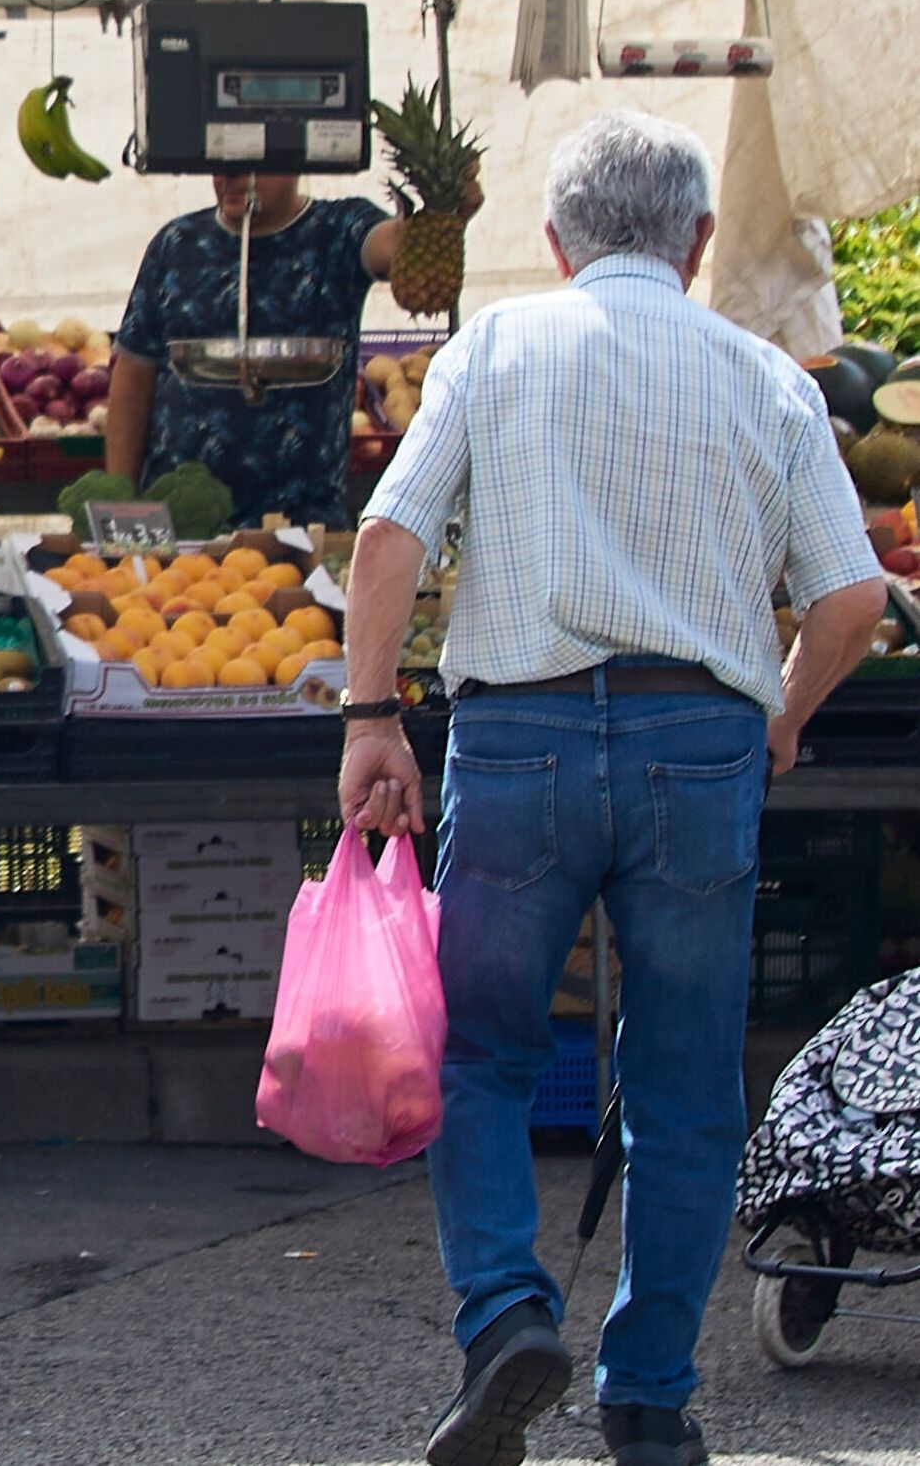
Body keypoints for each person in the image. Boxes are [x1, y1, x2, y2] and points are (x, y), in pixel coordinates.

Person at [338, 111, 885, 1466]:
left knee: (482, 1053)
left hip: (516, 737)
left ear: (553, 242)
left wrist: (369, 718)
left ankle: (507, 1317)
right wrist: (783, 714)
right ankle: (648, 1394)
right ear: (697, 242)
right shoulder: (765, 376)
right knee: (688, 1083)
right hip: (697, 739)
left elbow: (387, 537)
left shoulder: (496, 348)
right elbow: (854, 594)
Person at [107, 169, 481, 528]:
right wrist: (120, 503)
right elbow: (133, 377)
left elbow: (391, 246)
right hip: (181, 528)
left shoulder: (338, 231)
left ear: (296, 158)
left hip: (305, 526)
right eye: (220, 163)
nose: (232, 176)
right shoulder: (177, 243)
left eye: (253, 162)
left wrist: (443, 214)